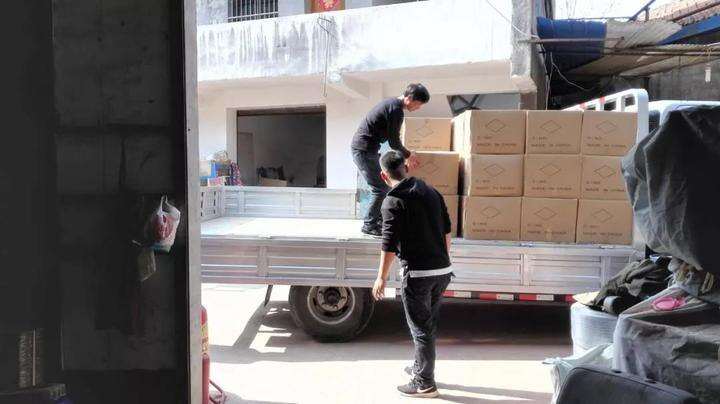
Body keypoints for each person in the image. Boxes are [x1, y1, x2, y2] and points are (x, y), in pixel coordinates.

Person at [372, 150, 453, 398]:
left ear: (383, 175)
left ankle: (424, 383)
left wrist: (381, 277)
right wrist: (442, 261)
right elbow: (447, 231)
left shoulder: (393, 201)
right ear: (406, 168)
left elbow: (388, 244)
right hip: (442, 271)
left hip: (418, 275)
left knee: (421, 329)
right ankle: (421, 368)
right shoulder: (431, 192)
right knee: (427, 326)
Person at [351, 83, 430, 237]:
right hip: (363, 150)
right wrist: (409, 155)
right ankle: (369, 225)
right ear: (409, 98)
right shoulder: (395, 109)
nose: (418, 108)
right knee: (380, 188)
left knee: (385, 185)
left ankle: (378, 221)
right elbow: (394, 142)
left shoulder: (392, 105)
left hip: (369, 150)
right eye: (418, 104)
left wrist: (405, 155)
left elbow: (393, 141)